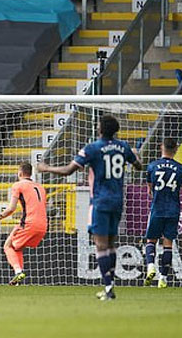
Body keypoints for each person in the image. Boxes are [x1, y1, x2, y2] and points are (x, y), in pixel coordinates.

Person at [38, 114, 143, 300]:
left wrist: (46, 168)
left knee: (101, 245)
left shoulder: (92, 148)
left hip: (100, 201)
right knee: (111, 244)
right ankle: (110, 285)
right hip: (118, 201)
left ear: (101, 129)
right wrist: (136, 154)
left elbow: (67, 171)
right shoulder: (124, 147)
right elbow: (139, 166)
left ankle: (109, 288)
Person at [143, 138, 182, 288]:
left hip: (157, 209)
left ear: (162, 147)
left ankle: (150, 266)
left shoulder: (152, 166)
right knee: (168, 244)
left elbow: (150, 190)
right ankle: (163, 278)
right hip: (173, 210)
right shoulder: (180, 168)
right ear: (176, 149)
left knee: (151, 240)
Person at [0, 162, 47, 286]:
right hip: (43, 225)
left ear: (20, 173)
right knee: (18, 248)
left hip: (29, 223)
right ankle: (18, 280)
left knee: (8, 246)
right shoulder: (40, 187)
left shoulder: (18, 185)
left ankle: (18, 271)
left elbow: (11, 208)